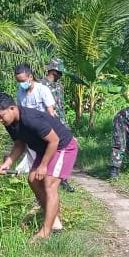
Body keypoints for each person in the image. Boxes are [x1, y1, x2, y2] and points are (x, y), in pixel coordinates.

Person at [0, 92, 78, 241]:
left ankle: (46, 231)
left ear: (12, 108)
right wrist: (7, 163)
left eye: (1, 116)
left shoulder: (30, 119)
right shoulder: (10, 123)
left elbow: (54, 141)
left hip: (62, 146)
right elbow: (19, 144)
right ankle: (54, 221)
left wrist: (43, 166)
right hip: (45, 149)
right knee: (32, 180)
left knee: (49, 183)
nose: (0, 120)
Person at [41, 59, 75, 192]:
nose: (61, 75)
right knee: (48, 149)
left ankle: (64, 180)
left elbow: (61, 106)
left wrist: (65, 121)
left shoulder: (59, 86)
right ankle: (46, 177)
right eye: (60, 72)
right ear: (54, 71)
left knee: (65, 149)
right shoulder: (41, 85)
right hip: (47, 121)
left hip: (61, 121)